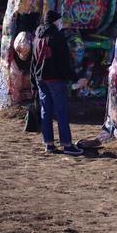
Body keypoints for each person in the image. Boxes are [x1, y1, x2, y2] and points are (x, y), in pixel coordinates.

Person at [31, 10, 87, 156]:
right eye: (59, 20)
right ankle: (67, 145)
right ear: (55, 21)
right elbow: (64, 63)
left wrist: (33, 82)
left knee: (46, 111)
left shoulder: (37, 36)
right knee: (61, 112)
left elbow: (33, 61)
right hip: (55, 79)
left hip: (40, 79)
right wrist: (75, 78)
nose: (61, 22)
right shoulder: (58, 37)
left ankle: (49, 144)